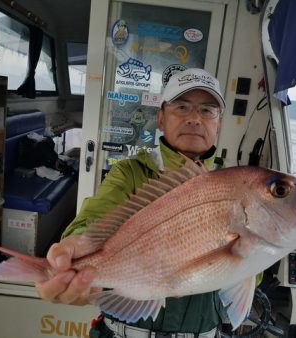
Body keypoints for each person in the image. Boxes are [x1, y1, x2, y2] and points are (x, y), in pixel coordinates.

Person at [36, 68, 229, 338]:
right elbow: (93, 218)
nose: (195, 119)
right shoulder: (129, 173)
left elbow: (249, 273)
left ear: (219, 123)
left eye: (208, 110)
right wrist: (74, 248)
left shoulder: (233, 187)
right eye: (182, 107)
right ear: (161, 118)